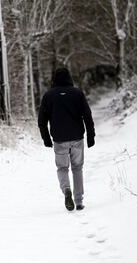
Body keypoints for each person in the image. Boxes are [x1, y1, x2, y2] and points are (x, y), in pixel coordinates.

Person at [38, 68, 95, 211]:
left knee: (62, 168)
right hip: (77, 138)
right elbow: (87, 115)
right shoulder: (77, 93)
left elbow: (41, 121)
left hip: (59, 139)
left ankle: (66, 190)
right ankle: (79, 201)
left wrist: (46, 139)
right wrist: (91, 136)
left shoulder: (48, 96)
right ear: (69, 78)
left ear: (54, 79)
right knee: (77, 168)